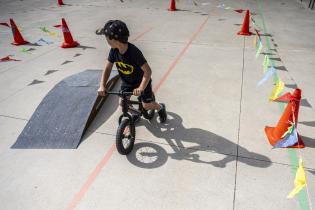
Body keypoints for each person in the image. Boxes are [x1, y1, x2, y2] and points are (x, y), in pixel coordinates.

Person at [97, 20, 167, 123]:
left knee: (147, 105)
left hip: (141, 82)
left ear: (114, 39)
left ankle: (160, 107)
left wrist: (141, 88)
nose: (106, 40)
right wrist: (102, 85)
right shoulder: (114, 50)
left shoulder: (134, 52)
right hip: (127, 82)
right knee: (122, 103)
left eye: (106, 37)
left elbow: (148, 72)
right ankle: (135, 113)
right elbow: (107, 67)